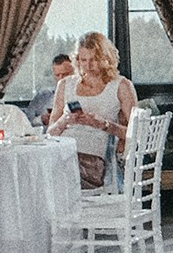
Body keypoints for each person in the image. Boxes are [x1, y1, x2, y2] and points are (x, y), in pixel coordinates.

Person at [50, 31, 136, 188]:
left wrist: (104, 124)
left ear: (106, 58)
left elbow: (135, 133)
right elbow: (50, 133)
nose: (88, 66)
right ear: (77, 60)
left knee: (48, 177)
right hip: (60, 152)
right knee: (36, 171)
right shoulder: (65, 85)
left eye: (94, 60)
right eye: (83, 60)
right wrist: (65, 120)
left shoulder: (121, 85)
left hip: (92, 157)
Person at [25, 52, 73, 126]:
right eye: (57, 75)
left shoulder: (84, 96)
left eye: (65, 74)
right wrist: (41, 120)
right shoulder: (43, 96)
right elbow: (26, 121)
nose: (61, 79)